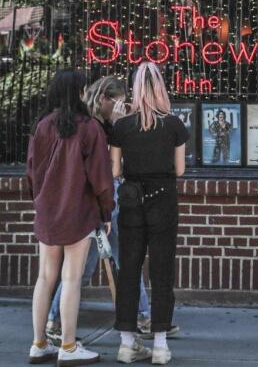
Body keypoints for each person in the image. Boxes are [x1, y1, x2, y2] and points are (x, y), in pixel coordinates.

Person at [45, 77, 157, 343]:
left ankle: (55, 319)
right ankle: (142, 316)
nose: (120, 107)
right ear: (105, 99)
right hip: (104, 198)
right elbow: (108, 164)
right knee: (114, 260)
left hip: (104, 200)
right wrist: (120, 127)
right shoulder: (94, 125)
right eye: (117, 102)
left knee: (105, 262)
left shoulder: (98, 123)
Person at [26, 70, 115, 365]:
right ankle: (67, 345)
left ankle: (39, 343)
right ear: (78, 92)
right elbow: (102, 178)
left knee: (44, 276)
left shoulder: (42, 126)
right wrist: (106, 211)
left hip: (47, 211)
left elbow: (32, 171)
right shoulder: (90, 128)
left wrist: (39, 201)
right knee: (71, 279)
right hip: (79, 210)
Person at [109, 63, 189, 365]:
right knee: (162, 271)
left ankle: (127, 343)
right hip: (163, 200)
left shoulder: (122, 127)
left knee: (128, 270)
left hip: (131, 200)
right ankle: (159, 344)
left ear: (135, 88)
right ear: (160, 88)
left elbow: (115, 170)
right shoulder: (174, 125)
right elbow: (179, 170)